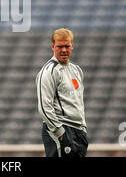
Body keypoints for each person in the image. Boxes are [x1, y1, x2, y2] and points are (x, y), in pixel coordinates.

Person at [35, 28, 88, 157]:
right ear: (53, 46)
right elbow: (44, 106)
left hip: (79, 131)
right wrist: (60, 132)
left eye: (67, 46)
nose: (64, 50)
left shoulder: (76, 70)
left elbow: (79, 102)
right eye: (59, 46)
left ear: (72, 46)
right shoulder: (49, 71)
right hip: (62, 129)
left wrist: (83, 128)